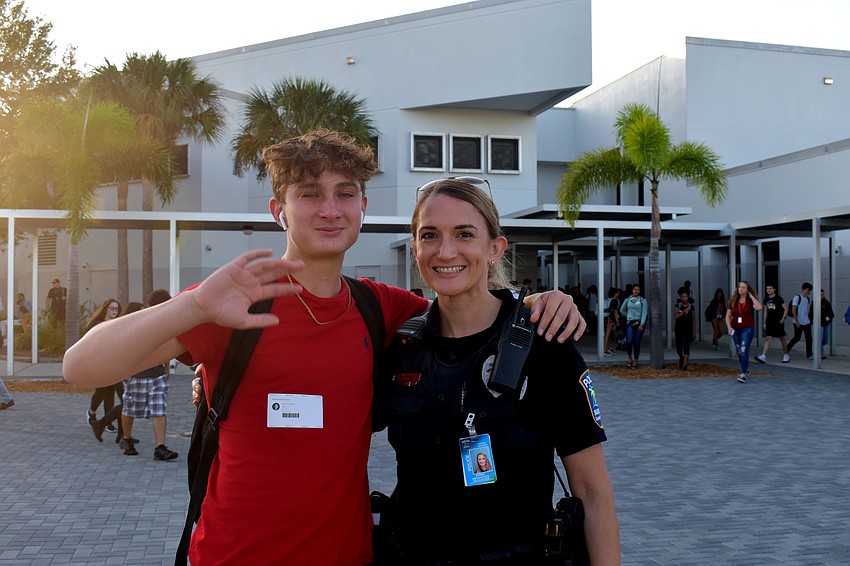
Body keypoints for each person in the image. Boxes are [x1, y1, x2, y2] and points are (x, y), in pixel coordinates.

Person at [63, 130, 584, 565]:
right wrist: (193, 307)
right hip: (233, 556)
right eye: (310, 193)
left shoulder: (383, 309)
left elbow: (469, 304)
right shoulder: (234, 301)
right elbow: (80, 368)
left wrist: (537, 303)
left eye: (345, 192)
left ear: (363, 205)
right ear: (279, 210)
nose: (330, 209)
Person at [373, 177, 619, 565]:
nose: (446, 250)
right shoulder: (403, 349)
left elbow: (592, 491)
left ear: (494, 248)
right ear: (415, 249)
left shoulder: (544, 344)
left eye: (464, 234)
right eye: (430, 235)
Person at [119, 291, 179, 460]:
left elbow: (166, 343)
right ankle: (127, 439)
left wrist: (166, 367)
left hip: (157, 374)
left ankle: (160, 447)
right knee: (131, 407)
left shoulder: (164, 322)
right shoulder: (138, 321)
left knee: (159, 408)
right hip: (136, 374)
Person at [84, 299, 123, 429]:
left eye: (116, 309)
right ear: (105, 308)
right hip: (98, 362)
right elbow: (88, 342)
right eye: (112, 308)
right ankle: (91, 412)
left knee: (111, 391)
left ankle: (107, 421)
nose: (114, 311)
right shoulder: (96, 324)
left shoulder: (117, 324)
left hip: (113, 362)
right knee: (102, 390)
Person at [725, 280, 762, 383]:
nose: (741, 289)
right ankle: (745, 369)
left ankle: (744, 373)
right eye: (740, 287)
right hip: (735, 329)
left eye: (744, 287)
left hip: (747, 328)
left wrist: (751, 296)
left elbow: (759, 307)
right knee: (739, 351)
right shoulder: (733, 300)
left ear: (747, 290)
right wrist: (729, 327)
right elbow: (728, 316)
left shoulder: (750, 301)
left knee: (744, 349)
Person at [754, 285, 789, 364]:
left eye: (770, 288)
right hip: (770, 321)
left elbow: (786, 309)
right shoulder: (766, 299)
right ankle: (763, 356)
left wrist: (783, 319)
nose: (768, 290)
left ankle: (786, 354)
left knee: (782, 338)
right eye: (767, 289)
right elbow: (766, 311)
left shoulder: (778, 298)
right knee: (768, 338)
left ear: (774, 289)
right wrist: (764, 322)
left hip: (778, 320)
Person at [619, 284, 647, 369]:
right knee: (629, 341)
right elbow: (621, 310)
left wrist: (642, 323)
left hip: (638, 323)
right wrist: (628, 316)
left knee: (637, 342)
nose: (636, 291)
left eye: (638, 290)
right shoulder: (628, 299)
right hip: (630, 322)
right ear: (632, 290)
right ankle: (629, 358)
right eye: (635, 289)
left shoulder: (642, 300)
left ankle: (636, 360)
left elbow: (644, 313)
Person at [786, 282, 814, 361]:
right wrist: (797, 321)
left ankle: (809, 354)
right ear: (804, 289)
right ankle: (786, 349)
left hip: (806, 321)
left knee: (809, 338)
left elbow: (807, 310)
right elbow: (793, 309)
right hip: (798, 321)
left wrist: (808, 319)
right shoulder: (797, 297)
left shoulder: (807, 299)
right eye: (808, 290)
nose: (809, 292)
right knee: (797, 337)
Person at [674, 287, 696, 371]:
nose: (685, 298)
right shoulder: (678, 306)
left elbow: (693, 319)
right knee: (678, 347)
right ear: (680, 297)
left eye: (686, 296)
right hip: (679, 328)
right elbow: (676, 316)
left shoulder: (691, 307)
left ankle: (685, 364)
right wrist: (684, 311)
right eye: (683, 296)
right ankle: (681, 357)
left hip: (688, 329)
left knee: (687, 346)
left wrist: (694, 331)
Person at [603, 287, 622, 356]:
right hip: (611, 319)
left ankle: (607, 348)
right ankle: (605, 349)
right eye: (617, 293)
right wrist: (617, 321)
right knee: (607, 335)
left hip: (606, 318)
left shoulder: (608, 300)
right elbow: (615, 312)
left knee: (608, 335)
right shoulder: (614, 301)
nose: (618, 294)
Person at [819, 289, 835, 360]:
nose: (821, 296)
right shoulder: (815, 302)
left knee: (825, 339)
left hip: (826, 323)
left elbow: (831, 313)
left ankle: (818, 348)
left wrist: (829, 319)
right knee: (820, 338)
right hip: (819, 324)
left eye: (822, 294)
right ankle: (821, 353)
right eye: (820, 294)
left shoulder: (826, 303)